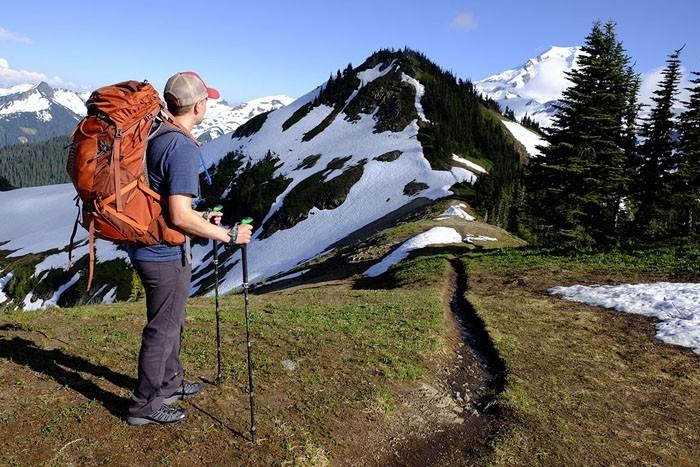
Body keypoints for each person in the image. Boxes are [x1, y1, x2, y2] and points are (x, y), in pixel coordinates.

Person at [125, 72, 252, 426]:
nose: (208, 104)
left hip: (151, 247)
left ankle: (170, 381)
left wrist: (202, 218)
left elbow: (166, 203)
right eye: (207, 100)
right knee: (162, 329)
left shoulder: (158, 134)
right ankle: (144, 406)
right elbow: (179, 215)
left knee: (171, 322)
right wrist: (227, 235)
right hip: (163, 255)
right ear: (198, 105)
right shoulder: (180, 147)